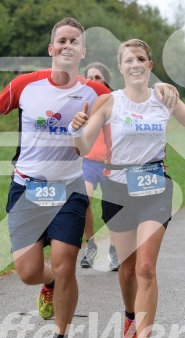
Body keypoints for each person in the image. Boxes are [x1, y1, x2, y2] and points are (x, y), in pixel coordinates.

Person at [0, 18, 179, 338]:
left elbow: (135, 93)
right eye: (62, 40)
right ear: (51, 48)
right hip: (27, 188)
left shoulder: (96, 92)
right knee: (27, 271)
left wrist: (164, 89)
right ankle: (49, 281)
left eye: (75, 41)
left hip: (69, 192)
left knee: (66, 263)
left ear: (83, 52)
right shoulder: (26, 85)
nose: (68, 45)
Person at [70, 39, 185, 338]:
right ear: (120, 67)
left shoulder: (164, 99)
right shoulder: (108, 102)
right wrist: (76, 132)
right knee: (128, 270)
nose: (135, 64)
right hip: (117, 192)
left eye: (141, 59)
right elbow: (84, 145)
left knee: (146, 268)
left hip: (155, 189)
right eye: (129, 60)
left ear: (149, 65)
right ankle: (130, 316)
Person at [80, 62, 120, 271]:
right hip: (88, 162)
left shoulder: (115, 102)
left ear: (105, 81)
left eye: (97, 78)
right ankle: (91, 245)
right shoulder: (81, 101)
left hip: (110, 164)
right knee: (84, 200)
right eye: (89, 77)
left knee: (112, 207)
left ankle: (114, 249)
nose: (93, 81)